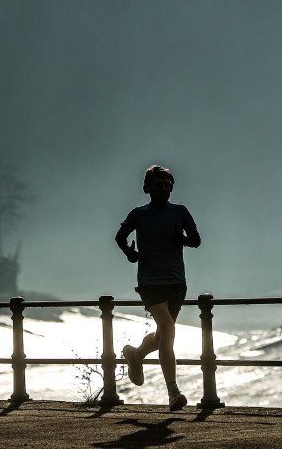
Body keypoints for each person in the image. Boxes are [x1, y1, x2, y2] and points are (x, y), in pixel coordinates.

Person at [114, 164, 201, 411]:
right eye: (158, 185)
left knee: (164, 333)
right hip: (150, 283)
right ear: (148, 188)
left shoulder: (180, 212)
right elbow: (120, 237)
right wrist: (130, 253)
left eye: (167, 185)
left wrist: (182, 239)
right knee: (167, 327)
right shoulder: (139, 214)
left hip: (176, 282)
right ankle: (173, 392)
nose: (163, 189)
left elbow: (196, 240)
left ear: (171, 187)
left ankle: (136, 354)